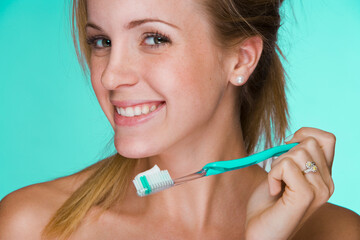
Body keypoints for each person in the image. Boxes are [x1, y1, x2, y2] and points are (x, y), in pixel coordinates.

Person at [0, 0, 359, 239]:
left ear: (240, 59)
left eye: (154, 39)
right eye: (101, 41)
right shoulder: (33, 226)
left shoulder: (339, 233)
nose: (110, 77)